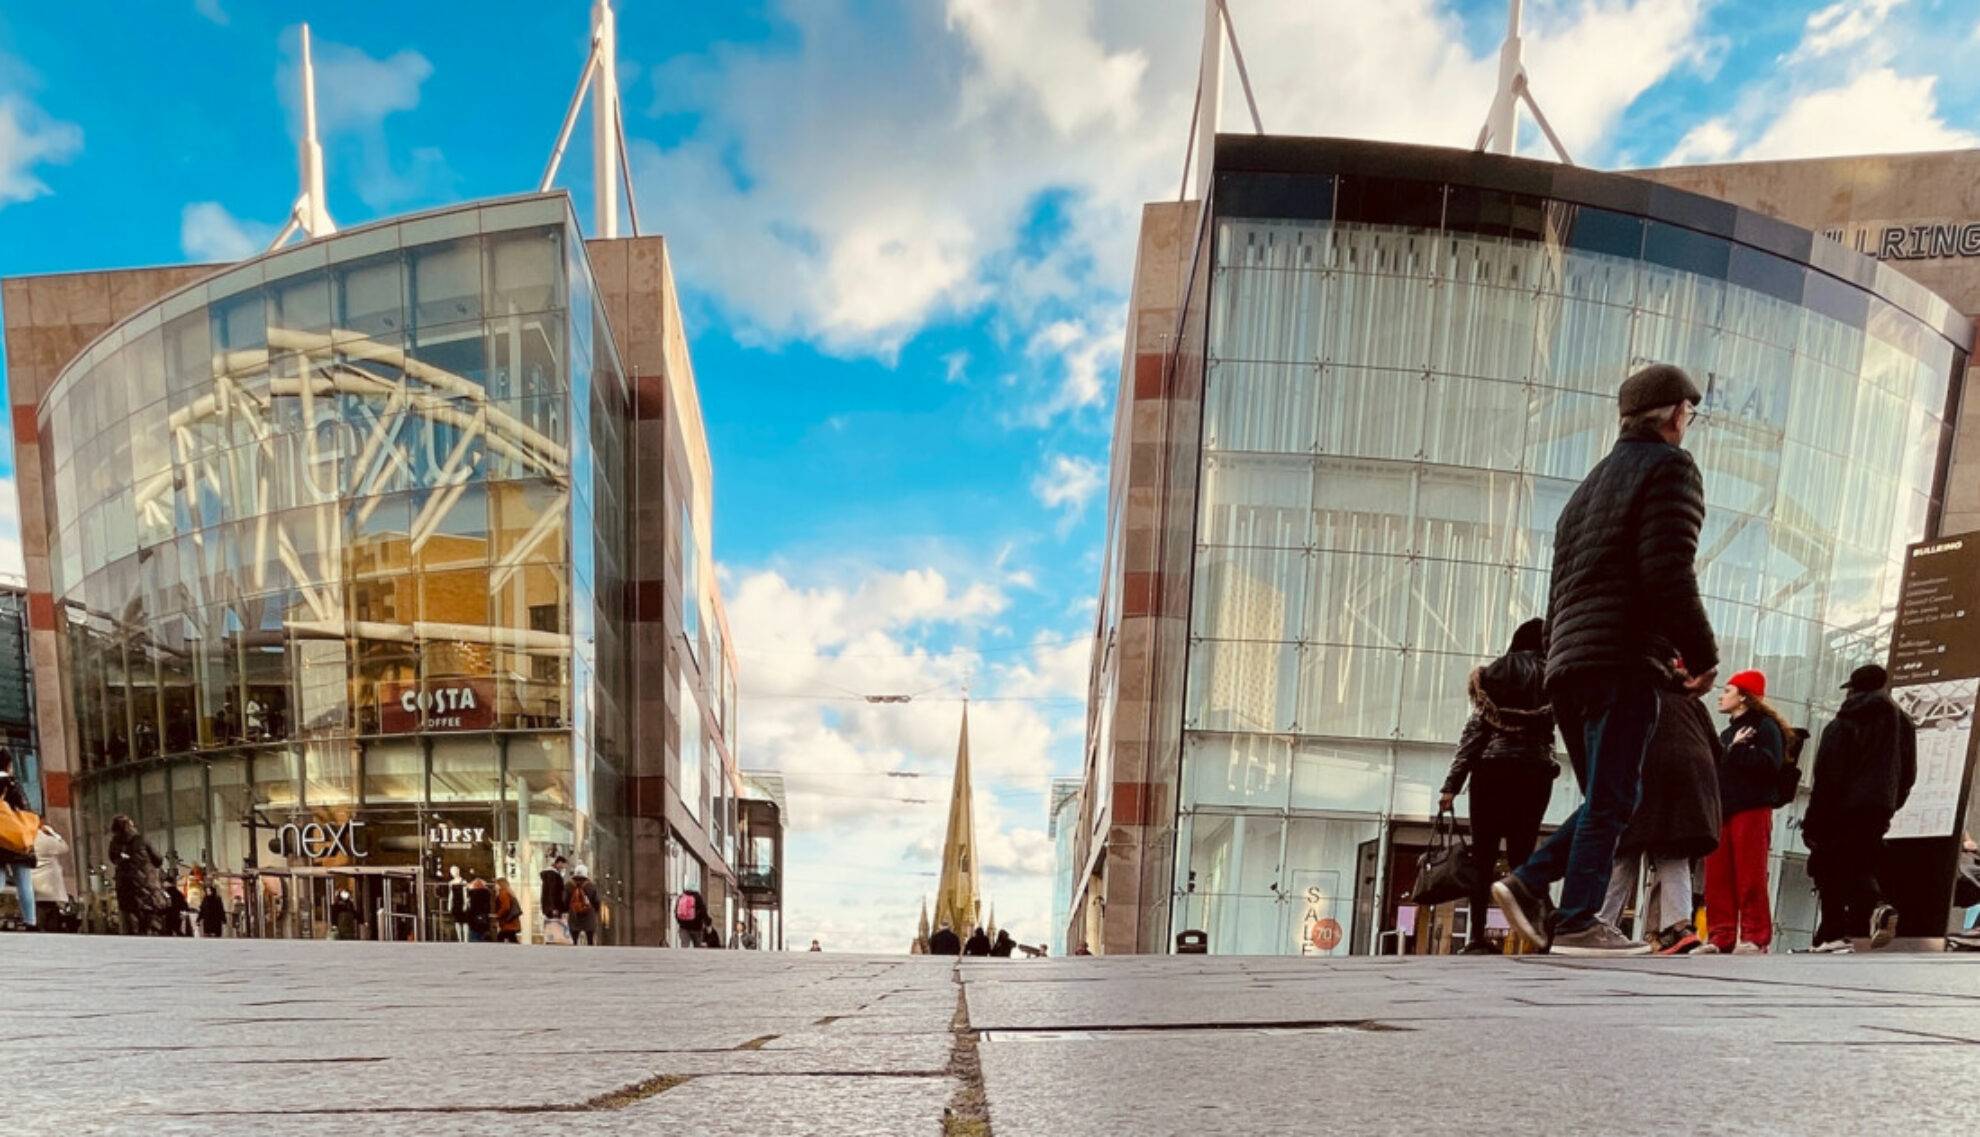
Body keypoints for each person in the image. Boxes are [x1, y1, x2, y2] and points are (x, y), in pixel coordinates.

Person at [1492, 364, 1719, 957]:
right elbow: (1669, 572)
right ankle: (1576, 921)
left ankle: (1530, 881)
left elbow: (1561, 590)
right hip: (1621, 658)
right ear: (1675, 415)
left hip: (1568, 664)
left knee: (1609, 797)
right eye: (1687, 414)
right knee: (1616, 798)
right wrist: (1699, 654)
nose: (1686, 424)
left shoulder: (1585, 491)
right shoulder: (1670, 468)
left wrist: (1557, 661)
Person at [1439, 618, 1557, 955]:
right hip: (1534, 773)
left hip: (1491, 772)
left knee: (1484, 854)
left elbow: (1474, 735)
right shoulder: (1553, 675)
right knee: (1524, 854)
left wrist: (1451, 786)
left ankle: (1476, 937)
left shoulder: (1496, 673)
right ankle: (1537, 931)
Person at [1598, 665, 1721, 955]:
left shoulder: (1639, 696)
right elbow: (1716, 750)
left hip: (1647, 778)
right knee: (1673, 851)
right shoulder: (1693, 704)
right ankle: (1680, 926)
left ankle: (1601, 923)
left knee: (1623, 853)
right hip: (1691, 784)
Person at [1804, 664, 1917, 953]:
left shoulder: (1845, 721)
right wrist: (1892, 801)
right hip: (1879, 805)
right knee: (1860, 861)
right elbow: (1909, 773)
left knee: (1830, 863)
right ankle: (1835, 931)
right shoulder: (1902, 723)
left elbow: (1827, 774)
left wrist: (1814, 820)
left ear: (1853, 689)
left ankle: (1862, 915)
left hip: (1842, 805)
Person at [1694, 670, 1788, 955]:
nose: (1721, 696)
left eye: (1728, 690)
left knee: (1750, 874)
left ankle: (1755, 936)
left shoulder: (1765, 726)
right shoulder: (1725, 734)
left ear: (1744, 697)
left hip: (1752, 807)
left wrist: (1735, 751)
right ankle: (1720, 936)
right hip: (1722, 809)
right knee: (1717, 876)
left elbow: (1769, 766)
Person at [108, 814, 167, 936]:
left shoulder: (114, 843)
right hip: (146, 886)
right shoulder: (142, 840)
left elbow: (113, 859)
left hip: (125, 887)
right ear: (130, 825)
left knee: (130, 921)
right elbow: (158, 860)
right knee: (148, 920)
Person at [0, 749, 39, 931]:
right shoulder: (13, 784)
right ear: (8, 765)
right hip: (15, 839)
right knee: (24, 882)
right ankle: (30, 921)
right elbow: (26, 811)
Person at [565, 865, 600, 946]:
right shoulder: (591, 885)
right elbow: (596, 901)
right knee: (590, 937)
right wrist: (596, 910)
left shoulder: (569, 885)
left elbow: (565, 900)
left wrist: (567, 910)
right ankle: (590, 949)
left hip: (574, 914)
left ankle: (574, 948)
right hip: (588, 914)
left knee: (574, 937)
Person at [492, 879, 523, 944]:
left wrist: (498, 914)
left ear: (500, 884)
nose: (495, 886)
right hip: (512, 921)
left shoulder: (503, 893)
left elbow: (506, 907)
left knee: (501, 938)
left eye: (496, 884)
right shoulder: (508, 892)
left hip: (508, 923)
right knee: (511, 938)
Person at [540, 855, 568, 922]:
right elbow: (552, 892)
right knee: (555, 927)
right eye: (563, 865)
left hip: (550, 906)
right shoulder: (552, 875)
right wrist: (554, 908)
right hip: (554, 907)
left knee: (552, 927)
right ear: (559, 863)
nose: (563, 867)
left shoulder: (551, 874)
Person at [445, 865, 470, 943]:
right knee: (457, 921)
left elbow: (465, 894)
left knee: (465, 921)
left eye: (455, 871)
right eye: (452, 872)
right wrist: (449, 904)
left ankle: (466, 938)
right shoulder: (451, 883)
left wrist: (465, 904)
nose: (453, 873)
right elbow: (450, 895)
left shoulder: (464, 882)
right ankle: (460, 938)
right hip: (455, 903)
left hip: (462, 902)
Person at [465, 876, 492, 943]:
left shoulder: (474, 895)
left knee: (474, 939)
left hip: (474, 922)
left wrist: (468, 917)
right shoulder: (486, 895)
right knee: (482, 939)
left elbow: (472, 909)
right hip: (484, 920)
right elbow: (488, 908)